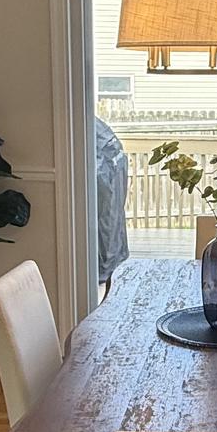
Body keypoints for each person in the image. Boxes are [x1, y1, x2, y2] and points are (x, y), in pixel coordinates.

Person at [93, 115, 130, 296]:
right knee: (108, 219)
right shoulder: (94, 129)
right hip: (110, 155)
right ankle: (109, 267)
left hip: (107, 158)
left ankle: (108, 267)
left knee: (108, 218)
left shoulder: (89, 127)